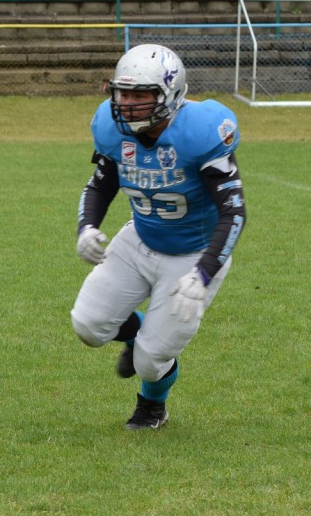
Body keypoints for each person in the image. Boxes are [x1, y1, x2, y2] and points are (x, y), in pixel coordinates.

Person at [71, 44, 246, 430]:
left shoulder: (200, 131)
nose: (128, 104)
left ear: (170, 94)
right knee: (87, 325)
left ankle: (152, 405)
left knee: (149, 361)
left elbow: (233, 212)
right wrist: (87, 226)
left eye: (140, 95)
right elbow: (101, 184)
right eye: (123, 93)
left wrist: (203, 273)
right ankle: (137, 336)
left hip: (194, 252)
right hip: (140, 237)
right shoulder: (110, 127)